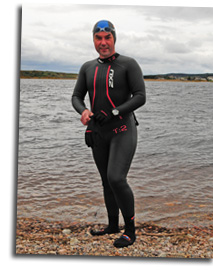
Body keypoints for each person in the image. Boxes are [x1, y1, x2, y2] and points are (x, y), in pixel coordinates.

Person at [71, 20, 146, 248]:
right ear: (93, 39)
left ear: (114, 38)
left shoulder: (128, 64)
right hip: (98, 132)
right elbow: (76, 97)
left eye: (107, 38)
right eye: (98, 38)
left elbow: (140, 96)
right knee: (106, 181)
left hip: (123, 129)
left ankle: (130, 232)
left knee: (116, 178)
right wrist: (84, 112)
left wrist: (114, 112)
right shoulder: (87, 67)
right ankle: (113, 225)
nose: (103, 43)